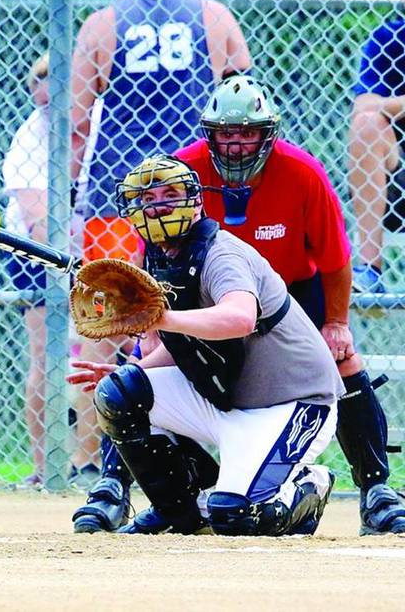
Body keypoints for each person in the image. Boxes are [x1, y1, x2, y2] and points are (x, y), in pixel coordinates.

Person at [74, 75, 405, 536]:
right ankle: (125, 491)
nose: (235, 145)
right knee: (133, 375)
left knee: (341, 356)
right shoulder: (181, 173)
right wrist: (146, 349)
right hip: (202, 290)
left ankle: (375, 491)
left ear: (267, 134)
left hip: (287, 290)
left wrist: (335, 322)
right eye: (225, 133)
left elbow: (334, 258)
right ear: (208, 134)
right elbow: (155, 256)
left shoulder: (301, 172)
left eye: (247, 132)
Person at [69, 154, 341, 537]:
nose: (159, 204)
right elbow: (179, 347)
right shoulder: (157, 258)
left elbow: (239, 318)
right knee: (122, 393)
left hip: (292, 404)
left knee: (237, 517)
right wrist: (135, 369)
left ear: (196, 202)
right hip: (225, 400)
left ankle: (307, 488)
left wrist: (161, 320)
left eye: (170, 194)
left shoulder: (220, 254)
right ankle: (180, 512)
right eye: (148, 198)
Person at [67, 0, 252, 478]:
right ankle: (231, 441)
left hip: (121, 192)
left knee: (104, 322)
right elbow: (242, 100)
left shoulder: (102, 25)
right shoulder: (213, 15)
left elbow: (79, 120)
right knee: (199, 308)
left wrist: (68, 188)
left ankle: (93, 461)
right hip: (193, 189)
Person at [2, 53, 84, 486]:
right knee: (46, 356)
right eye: (38, 82)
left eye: (56, 80)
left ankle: (91, 464)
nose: (43, 90)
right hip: (35, 255)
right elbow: (35, 218)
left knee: (102, 353)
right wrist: (74, 259)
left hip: (99, 246)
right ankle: (46, 466)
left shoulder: (105, 120)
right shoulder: (32, 134)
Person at [347, 0, 405, 293]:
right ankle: (369, 270)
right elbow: (365, 106)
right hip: (399, 182)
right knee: (367, 124)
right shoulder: (389, 38)